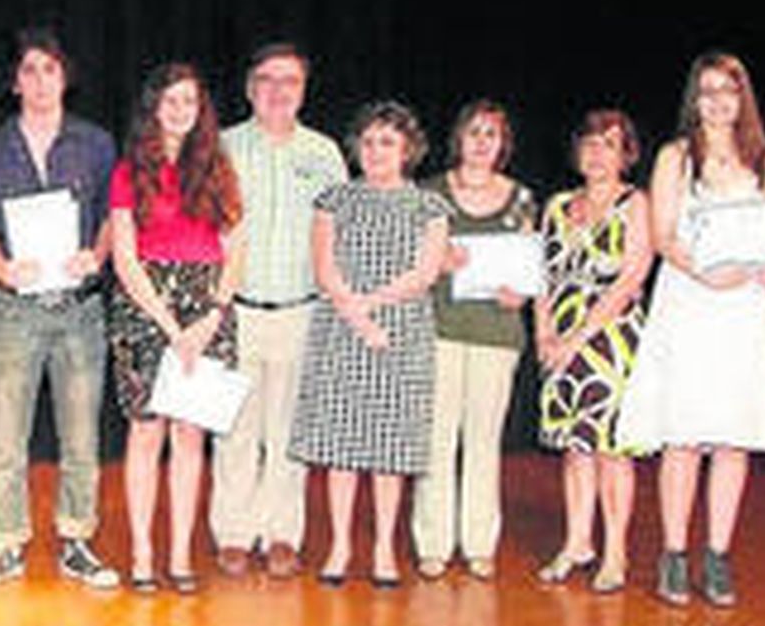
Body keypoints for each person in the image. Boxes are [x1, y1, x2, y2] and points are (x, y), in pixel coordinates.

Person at [618, 54, 765, 607]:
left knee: (731, 435)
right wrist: (707, 272)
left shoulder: (763, 160)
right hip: (694, 300)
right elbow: (664, 235)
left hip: (748, 307)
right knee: (686, 432)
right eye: (708, 91)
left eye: (729, 90)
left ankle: (717, 555)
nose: (719, 101)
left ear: (743, 97)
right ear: (693, 99)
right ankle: (674, 553)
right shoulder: (676, 157)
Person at [0, 30, 119, 591]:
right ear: (14, 82)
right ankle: (6, 544)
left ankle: (77, 540)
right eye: (29, 71)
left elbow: (111, 217)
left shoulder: (96, 144)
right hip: (14, 310)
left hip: (78, 309)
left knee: (81, 437)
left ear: (65, 78)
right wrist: (1, 269)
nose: (39, 82)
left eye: (50, 70)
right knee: (6, 438)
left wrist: (95, 255)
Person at [290, 101, 450, 588]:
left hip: (402, 333)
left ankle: (383, 549)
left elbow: (424, 274)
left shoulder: (430, 206)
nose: (377, 151)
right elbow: (324, 268)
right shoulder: (333, 199)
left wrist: (372, 306)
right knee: (342, 449)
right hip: (341, 327)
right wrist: (357, 315)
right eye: (369, 141)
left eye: (388, 142)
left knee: (389, 450)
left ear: (407, 150)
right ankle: (339, 546)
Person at [212, 42, 347, 580]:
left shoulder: (325, 153)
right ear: (249, 88)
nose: (277, 90)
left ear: (303, 89)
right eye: (266, 79)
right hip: (236, 308)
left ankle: (282, 533)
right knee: (236, 429)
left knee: (289, 430)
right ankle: (234, 534)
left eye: (289, 81)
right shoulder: (222, 147)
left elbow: (343, 233)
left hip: (301, 309)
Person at [109, 63, 242, 595]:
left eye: (189, 100)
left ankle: (181, 554)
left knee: (191, 437)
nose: (180, 110)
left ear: (200, 108)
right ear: (153, 107)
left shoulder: (219, 168)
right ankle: (143, 554)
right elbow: (123, 256)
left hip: (207, 309)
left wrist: (210, 316)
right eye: (170, 101)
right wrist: (169, 325)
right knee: (146, 433)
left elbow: (235, 251)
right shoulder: (128, 170)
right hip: (146, 308)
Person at [412, 101, 537, 582]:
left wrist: (518, 294)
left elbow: (528, 269)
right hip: (438, 330)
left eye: (492, 134)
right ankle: (433, 545)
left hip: (495, 335)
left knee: (483, 443)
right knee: (436, 442)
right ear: (458, 139)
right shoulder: (430, 193)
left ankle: (479, 543)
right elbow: (410, 266)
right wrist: (436, 263)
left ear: (502, 144)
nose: (482, 142)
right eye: (474, 132)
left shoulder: (522, 198)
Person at [532, 110, 652, 595]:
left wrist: (577, 338)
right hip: (558, 337)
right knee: (575, 448)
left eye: (609, 144)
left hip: (610, 338)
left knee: (610, 448)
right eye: (590, 143)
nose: (597, 153)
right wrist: (543, 333)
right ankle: (577, 542)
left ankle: (615, 551)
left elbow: (631, 277)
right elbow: (539, 272)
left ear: (626, 154)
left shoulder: (635, 202)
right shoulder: (558, 205)